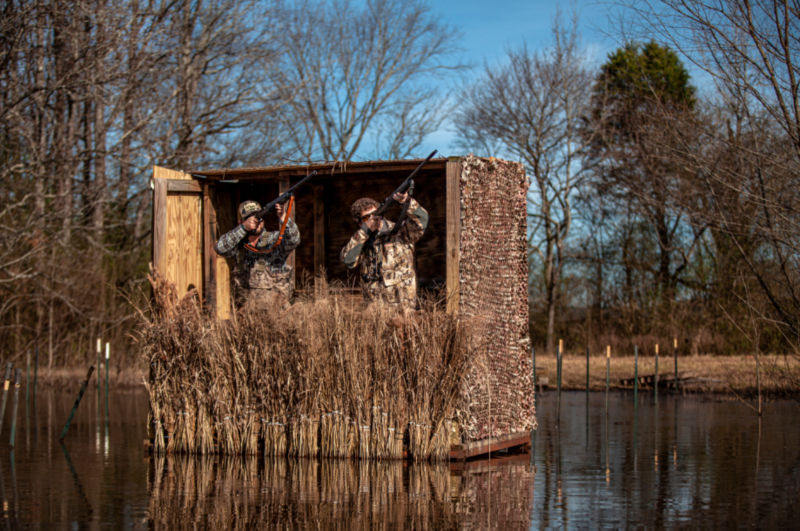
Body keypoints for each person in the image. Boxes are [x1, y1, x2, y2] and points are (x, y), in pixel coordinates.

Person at [340, 191, 428, 310]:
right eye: (366, 218)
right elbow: (348, 260)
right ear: (360, 223)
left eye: (375, 214)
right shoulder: (361, 242)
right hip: (375, 313)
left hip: (403, 311)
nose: (373, 219)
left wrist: (406, 202)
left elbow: (422, 221)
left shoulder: (401, 232)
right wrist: (365, 231)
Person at [214, 199, 300, 308]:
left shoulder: (273, 239)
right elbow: (220, 248)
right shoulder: (238, 245)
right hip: (247, 314)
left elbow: (294, 239)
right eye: (250, 219)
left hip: (277, 314)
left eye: (259, 217)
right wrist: (243, 228)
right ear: (241, 221)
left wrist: (284, 217)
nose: (256, 222)